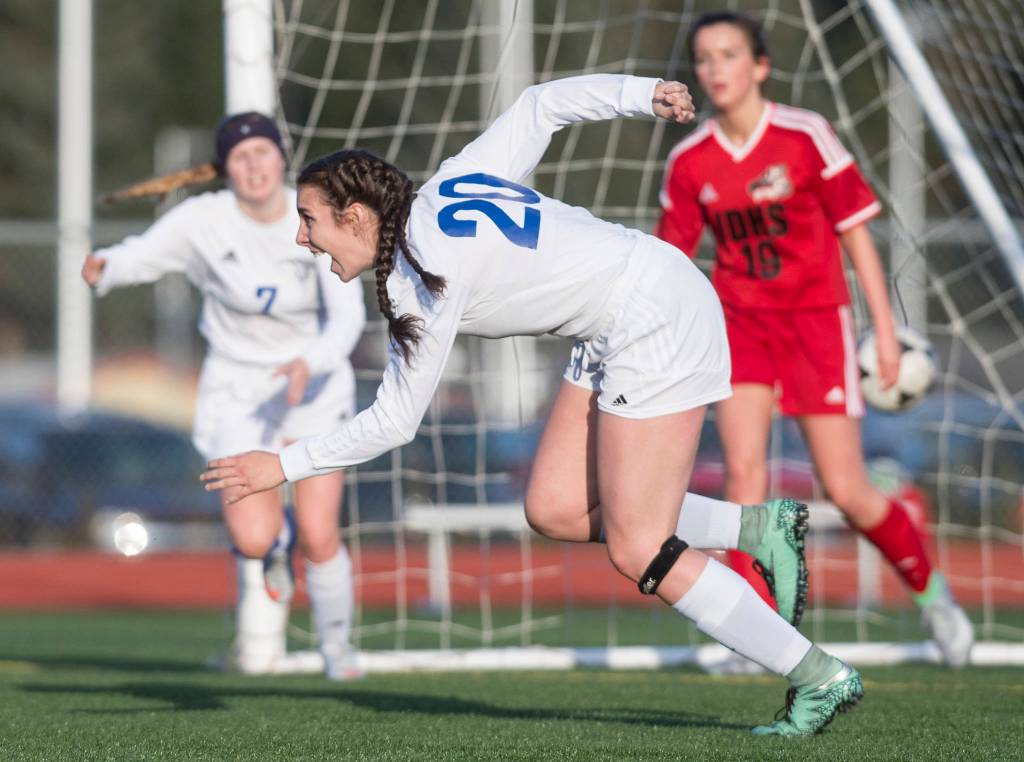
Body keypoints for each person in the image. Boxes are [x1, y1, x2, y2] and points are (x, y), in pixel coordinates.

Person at [202, 74, 863, 736]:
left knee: (640, 547)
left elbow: (395, 422)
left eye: (308, 220)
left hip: (653, 317)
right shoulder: (444, 188)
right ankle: (758, 529)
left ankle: (818, 676)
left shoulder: (417, 282)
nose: (301, 239)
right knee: (555, 506)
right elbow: (541, 105)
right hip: (625, 307)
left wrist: (282, 466)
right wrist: (643, 92)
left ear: (352, 216)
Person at [655, 11, 973, 668]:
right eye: (705, 58)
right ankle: (751, 633)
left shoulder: (806, 136)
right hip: (739, 325)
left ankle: (935, 598)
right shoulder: (691, 162)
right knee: (744, 475)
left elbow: (855, 231)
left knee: (847, 488)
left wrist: (885, 333)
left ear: (760, 66)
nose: (715, 69)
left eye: (729, 55)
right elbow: (670, 260)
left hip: (816, 324)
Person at [82, 112, 366, 679]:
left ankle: (339, 649)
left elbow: (347, 316)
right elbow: (141, 254)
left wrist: (310, 363)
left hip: (314, 384)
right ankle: (272, 556)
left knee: (319, 531)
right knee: (255, 537)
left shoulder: (313, 212)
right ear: (224, 168)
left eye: (263, 152)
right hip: (239, 391)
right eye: (240, 156)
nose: (254, 165)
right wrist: (105, 267)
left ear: (281, 158)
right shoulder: (202, 221)